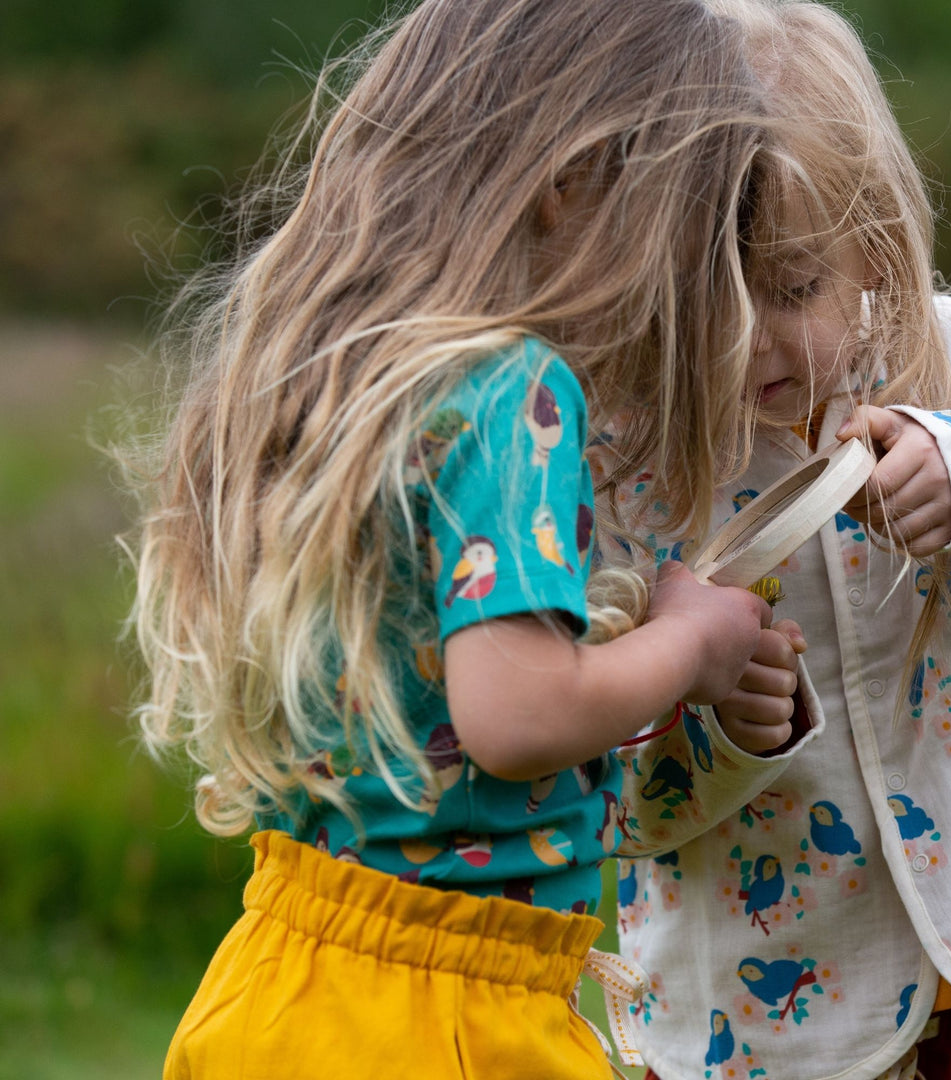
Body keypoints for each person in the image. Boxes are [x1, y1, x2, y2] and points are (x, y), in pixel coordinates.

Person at [126, 1, 811, 1076]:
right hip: (445, 1018)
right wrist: (692, 644)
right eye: (688, 227)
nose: (685, 284)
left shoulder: (350, 370)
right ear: (576, 180)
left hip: (285, 977)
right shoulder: (512, 389)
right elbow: (518, 712)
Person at [606, 2, 951, 1079]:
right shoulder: (627, 470)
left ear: (868, 239)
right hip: (765, 1029)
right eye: (702, 305)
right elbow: (606, 805)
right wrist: (717, 722)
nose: (747, 344)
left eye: (791, 289)